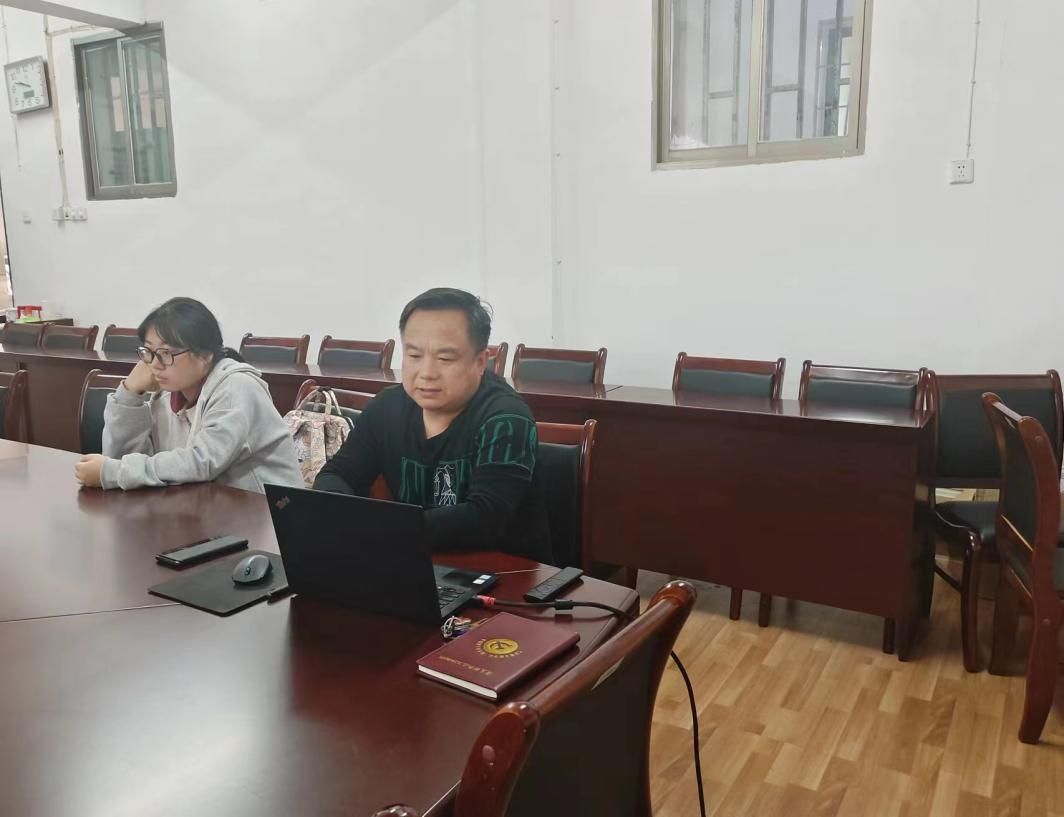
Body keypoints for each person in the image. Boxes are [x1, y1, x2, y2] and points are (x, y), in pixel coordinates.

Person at [314, 287, 552, 562]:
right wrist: (341, 514)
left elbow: (484, 519)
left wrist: (381, 530)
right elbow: (337, 474)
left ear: (479, 362)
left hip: (507, 575)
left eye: (445, 359)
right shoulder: (387, 407)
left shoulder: (506, 419)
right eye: (414, 356)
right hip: (415, 561)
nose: (427, 373)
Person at [74, 297, 303, 493]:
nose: (155, 364)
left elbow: (201, 462)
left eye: (166, 352)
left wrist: (114, 472)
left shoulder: (237, 387)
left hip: (267, 513)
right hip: (205, 508)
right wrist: (130, 394)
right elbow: (127, 463)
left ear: (205, 355)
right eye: (149, 351)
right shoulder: (166, 393)